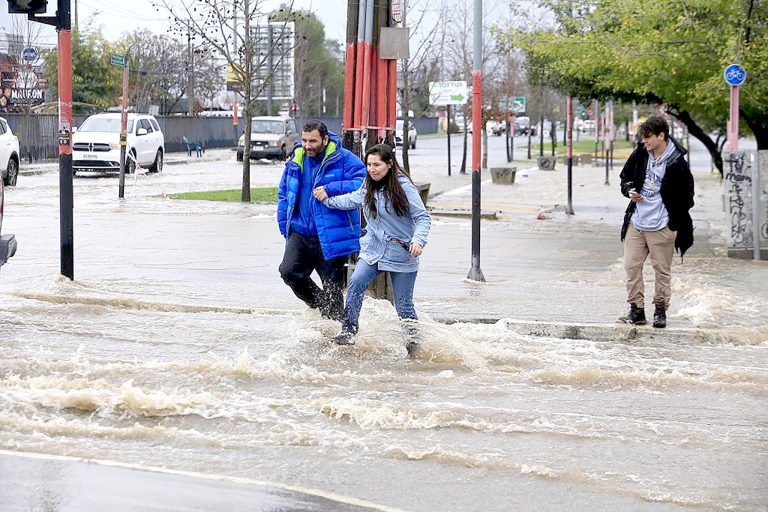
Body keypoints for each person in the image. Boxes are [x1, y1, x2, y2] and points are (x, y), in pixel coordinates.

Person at [313, 144, 431, 346]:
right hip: (373, 249)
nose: (372, 169)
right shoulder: (368, 185)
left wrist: (418, 241)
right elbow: (352, 199)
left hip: (401, 252)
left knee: (403, 305)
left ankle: (414, 343)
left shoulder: (404, 187)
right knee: (356, 283)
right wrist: (327, 201)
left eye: (377, 164)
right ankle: (348, 330)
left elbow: (422, 218)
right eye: (369, 164)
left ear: (389, 164)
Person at [277, 121, 366, 321]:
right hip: (299, 232)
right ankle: (318, 303)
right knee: (288, 272)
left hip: (331, 235)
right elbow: (284, 192)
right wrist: (284, 225)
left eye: (313, 141)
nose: (308, 145)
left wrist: (331, 189)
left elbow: (364, 182)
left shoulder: (344, 159)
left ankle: (335, 337)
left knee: (333, 290)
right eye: (304, 140)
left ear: (325, 140)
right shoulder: (296, 157)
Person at [619, 116, 694, 328]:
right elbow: (625, 177)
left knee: (661, 271)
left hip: (662, 225)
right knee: (631, 266)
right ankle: (636, 309)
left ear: (662, 135)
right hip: (637, 221)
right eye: (643, 137)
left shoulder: (677, 163)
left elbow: (689, 197)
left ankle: (660, 310)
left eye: (648, 137)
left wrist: (672, 221)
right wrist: (630, 190)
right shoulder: (641, 154)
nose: (645, 141)